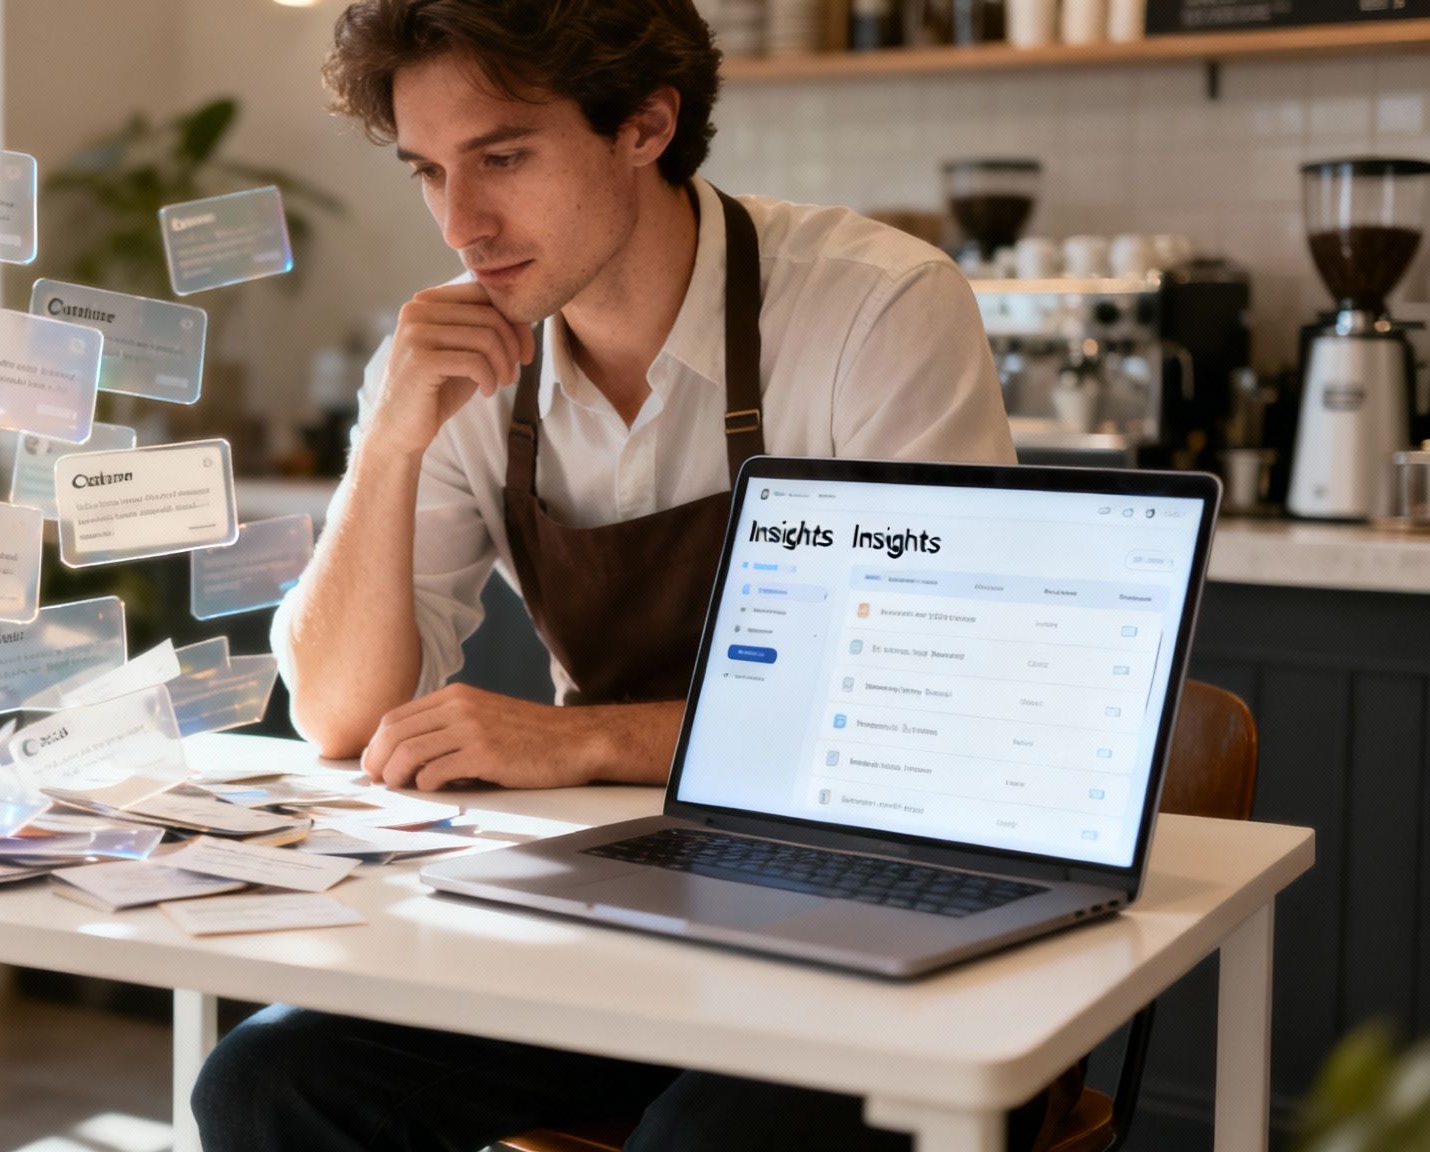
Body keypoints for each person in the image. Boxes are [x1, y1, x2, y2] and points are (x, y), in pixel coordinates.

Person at [195, 2, 1062, 1149]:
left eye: (501, 157)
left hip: (870, 905)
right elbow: (339, 712)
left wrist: (588, 739)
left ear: (644, 125)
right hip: (622, 905)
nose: (460, 223)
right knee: (265, 1080)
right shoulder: (456, 359)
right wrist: (389, 443)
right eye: (427, 171)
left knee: (700, 1139)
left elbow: (929, 704)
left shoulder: (873, 309)